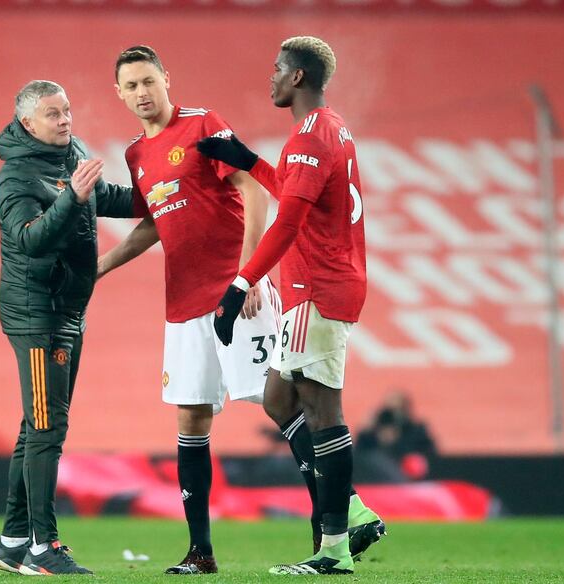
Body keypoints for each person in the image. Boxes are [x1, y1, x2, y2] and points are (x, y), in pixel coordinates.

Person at [198, 36, 382, 575]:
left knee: (324, 413)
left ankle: (334, 548)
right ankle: (349, 507)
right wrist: (250, 161)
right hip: (321, 285)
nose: (271, 76)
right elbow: (298, 194)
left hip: (317, 289)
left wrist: (239, 285)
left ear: (298, 77)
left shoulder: (309, 137)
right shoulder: (329, 128)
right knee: (279, 397)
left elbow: (289, 222)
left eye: (277, 68)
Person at [97, 45, 277, 574]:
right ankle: (201, 552)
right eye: (130, 86)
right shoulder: (135, 156)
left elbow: (256, 188)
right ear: (120, 94)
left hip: (234, 291)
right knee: (191, 417)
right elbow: (154, 223)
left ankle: (335, 528)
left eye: (148, 81)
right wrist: (100, 266)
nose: (141, 93)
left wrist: (251, 275)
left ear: (166, 79)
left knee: (281, 400)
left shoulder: (204, 126)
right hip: (183, 304)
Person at [0, 80, 138, 576]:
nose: (66, 119)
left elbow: (105, 198)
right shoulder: (13, 178)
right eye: (54, 114)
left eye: (68, 109)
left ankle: (11, 543)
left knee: (37, 426)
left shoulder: (73, 155)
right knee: (49, 429)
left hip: (67, 309)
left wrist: (166, 197)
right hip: (37, 315)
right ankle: (42, 547)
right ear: (28, 123)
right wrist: (71, 196)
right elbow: (31, 240)